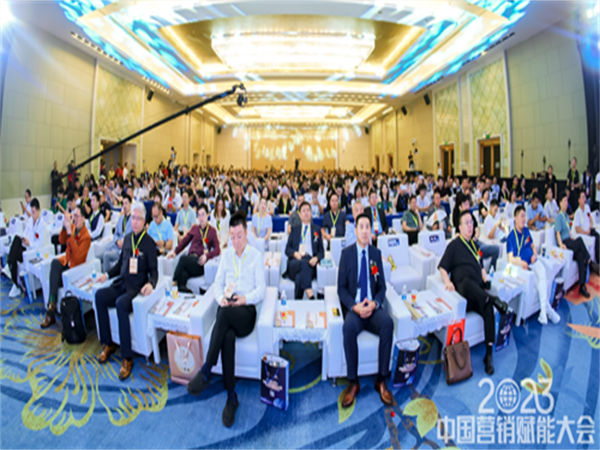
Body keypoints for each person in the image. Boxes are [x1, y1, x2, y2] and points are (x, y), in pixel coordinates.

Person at [186, 212, 266, 428]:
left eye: (239, 236)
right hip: (229, 308)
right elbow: (217, 284)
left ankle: (206, 369)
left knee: (224, 314)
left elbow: (261, 290)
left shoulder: (255, 256)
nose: (236, 241)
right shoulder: (226, 256)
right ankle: (231, 397)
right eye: (232, 236)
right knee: (226, 336)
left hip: (246, 311)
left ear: (246, 233)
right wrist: (222, 298)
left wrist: (244, 299)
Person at [438, 210, 509, 375]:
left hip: (479, 294)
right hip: (464, 293)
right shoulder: (454, 245)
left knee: (488, 308)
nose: (470, 226)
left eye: (471, 223)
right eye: (466, 223)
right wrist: (447, 282)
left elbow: (480, 266)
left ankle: (488, 355)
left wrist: (484, 276)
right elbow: (442, 267)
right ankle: (493, 300)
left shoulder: (476, 246)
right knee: (467, 283)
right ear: (460, 227)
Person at [94, 202, 158, 381]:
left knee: (120, 304)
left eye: (138, 219)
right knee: (99, 296)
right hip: (121, 283)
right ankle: (108, 344)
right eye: (133, 218)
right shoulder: (128, 238)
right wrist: (107, 275)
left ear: (144, 222)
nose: (135, 222)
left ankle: (127, 358)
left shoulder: (149, 243)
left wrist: (151, 283)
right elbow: (120, 263)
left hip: (135, 288)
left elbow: (154, 271)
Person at [337, 212, 393, 408]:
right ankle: (353, 382)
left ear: (371, 230)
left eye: (367, 227)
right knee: (348, 328)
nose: (364, 231)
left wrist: (375, 303)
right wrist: (354, 306)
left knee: (388, 324)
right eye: (361, 227)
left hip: (372, 307)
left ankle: (381, 380)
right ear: (355, 230)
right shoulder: (346, 254)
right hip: (355, 308)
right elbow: (341, 288)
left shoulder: (376, 255)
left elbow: (382, 286)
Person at [507, 206, 560, 325]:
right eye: (521, 216)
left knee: (542, 273)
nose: (524, 219)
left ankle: (543, 312)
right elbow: (510, 259)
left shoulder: (526, 231)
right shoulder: (511, 237)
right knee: (536, 281)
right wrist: (521, 263)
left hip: (533, 261)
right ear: (515, 218)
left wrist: (535, 254)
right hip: (524, 268)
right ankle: (548, 311)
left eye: (524, 216)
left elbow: (532, 246)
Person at [41, 206, 91, 328]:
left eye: (77, 216)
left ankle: (50, 313)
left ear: (83, 218)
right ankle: (51, 306)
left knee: (55, 275)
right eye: (74, 216)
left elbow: (78, 256)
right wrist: (64, 227)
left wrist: (69, 233)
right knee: (55, 263)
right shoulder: (72, 227)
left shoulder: (86, 237)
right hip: (67, 263)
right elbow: (61, 240)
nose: (75, 219)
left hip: (75, 269)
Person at [554, 192, 600, 298]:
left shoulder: (566, 216)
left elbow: (569, 231)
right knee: (579, 240)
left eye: (567, 201)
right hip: (565, 242)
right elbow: (558, 233)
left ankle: (582, 286)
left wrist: (572, 237)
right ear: (560, 203)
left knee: (580, 255)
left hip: (570, 240)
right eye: (564, 201)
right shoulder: (559, 217)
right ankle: (590, 262)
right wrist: (561, 244)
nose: (566, 203)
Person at [168, 204, 220, 292]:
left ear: (207, 215)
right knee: (183, 275)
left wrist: (207, 256)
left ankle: (174, 281)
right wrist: (175, 252)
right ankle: (185, 291)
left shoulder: (212, 231)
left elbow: (217, 249)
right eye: (199, 215)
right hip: (190, 260)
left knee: (183, 259)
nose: (201, 218)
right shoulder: (194, 228)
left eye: (203, 214)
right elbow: (184, 241)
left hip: (200, 262)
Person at [7, 198, 46, 297]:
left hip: (33, 251)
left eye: (33, 212)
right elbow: (25, 233)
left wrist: (29, 243)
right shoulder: (30, 221)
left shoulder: (42, 225)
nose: (32, 215)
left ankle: (10, 267)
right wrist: (24, 239)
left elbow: (40, 244)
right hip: (26, 247)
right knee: (17, 239)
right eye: (31, 212)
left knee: (14, 256)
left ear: (38, 210)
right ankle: (12, 271)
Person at [285, 202, 324, 299]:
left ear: (311, 213)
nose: (306, 213)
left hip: (310, 263)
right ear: (300, 215)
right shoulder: (294, 229)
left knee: (299, 278)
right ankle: (311, 295)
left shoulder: (317, 229)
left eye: (308, 210)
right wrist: (295, 253)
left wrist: (316, 258)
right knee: (303, 263)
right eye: (304, 211)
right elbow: (287, 249)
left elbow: (322, 251)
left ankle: (298, 303)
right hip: (295, 262)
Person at [103, 194, 133, 272]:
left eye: (126, 203)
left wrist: (124, 241)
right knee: (104, 251)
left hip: (126, 249)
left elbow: (134, 236)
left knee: (106, 255)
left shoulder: (134, 220)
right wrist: (117, 241)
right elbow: (115, 233)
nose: (124, 206)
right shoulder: (120, 219)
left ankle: (106, 276)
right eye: (123, 204)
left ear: (131, 204)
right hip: (117, 246)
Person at [574, 191, 600, 263]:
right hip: (584, 233)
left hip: (590, 229)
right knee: (596, 240)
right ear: (579, 200)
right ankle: (598, 260)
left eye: (585, 197)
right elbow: (577, 229)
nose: (584, 199)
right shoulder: (577, 213)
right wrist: (585, 232)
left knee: (598, 237)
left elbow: (590, 218)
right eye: (582, 197)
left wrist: (590, 227)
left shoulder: (587, 208)